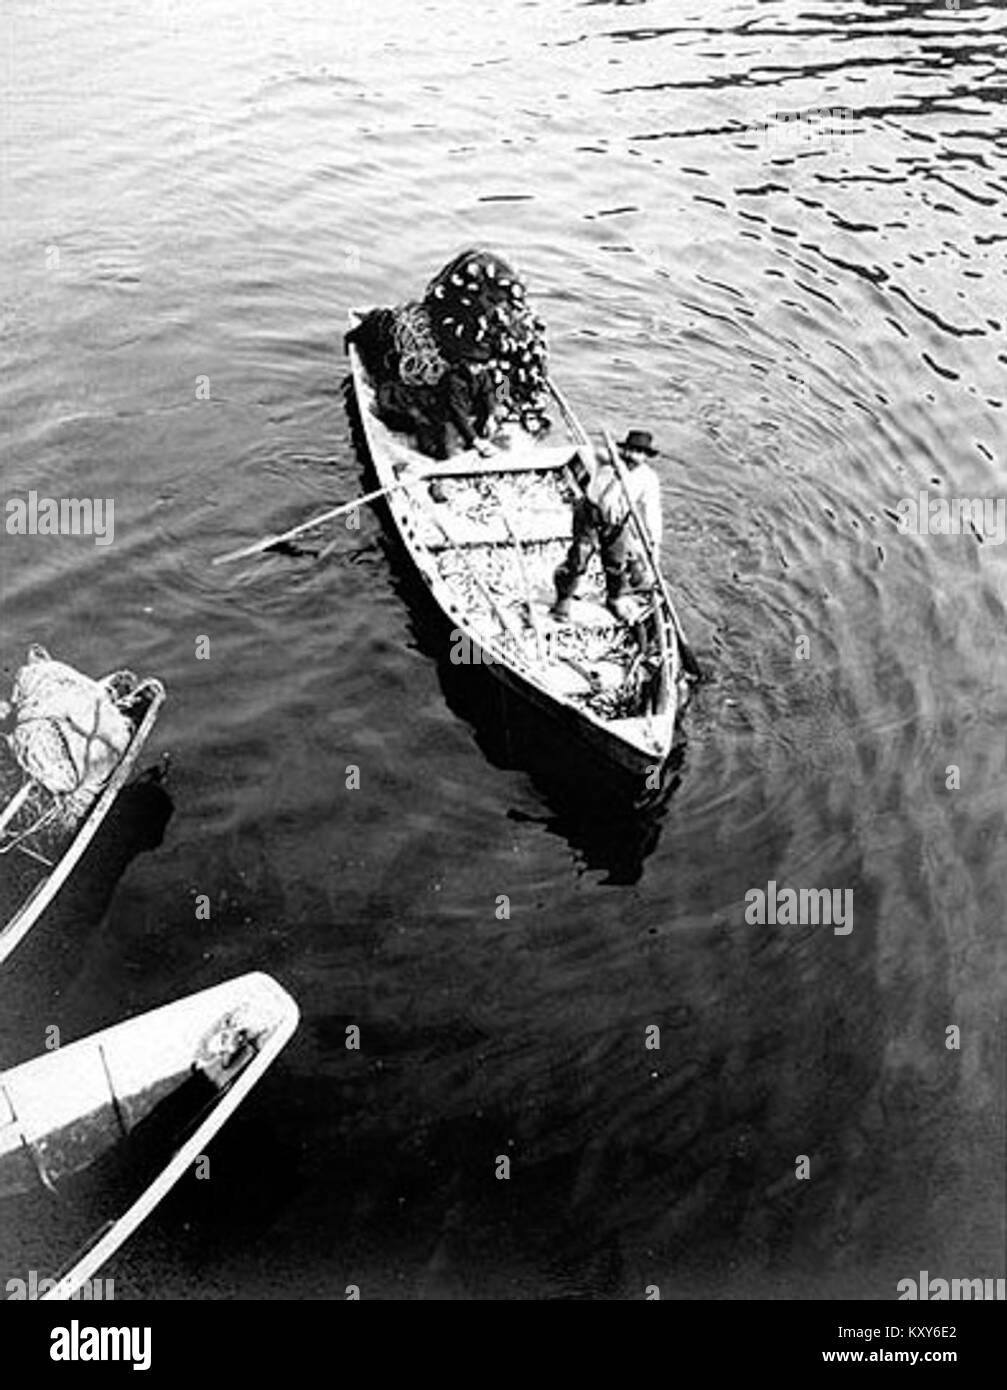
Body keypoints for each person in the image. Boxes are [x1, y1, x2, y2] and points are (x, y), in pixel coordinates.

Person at [551, 430, 663, 622]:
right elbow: (598, 453)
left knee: (615, 564)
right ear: (624, 450)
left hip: (617, 524)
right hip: (590, 516)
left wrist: (654, 541)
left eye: (640, 453)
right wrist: (617, 465)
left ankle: (614, 599)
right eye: (631, 451)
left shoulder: (648, 478)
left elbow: (652, 510)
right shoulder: (606, 462)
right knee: (579, 559)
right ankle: (563, 599)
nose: (634, 456)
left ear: (646, 457)